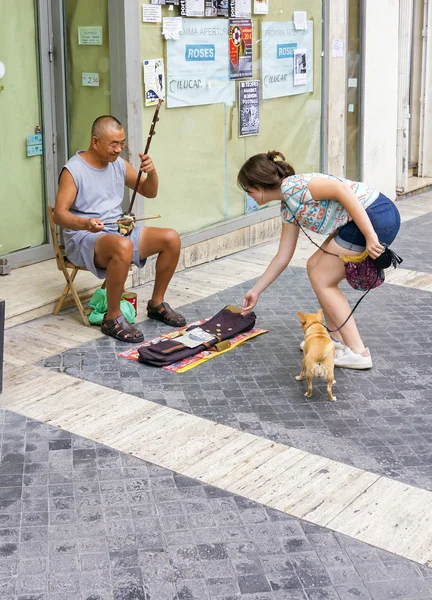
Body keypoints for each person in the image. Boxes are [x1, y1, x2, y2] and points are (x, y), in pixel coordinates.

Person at [238, 151, 401, 369]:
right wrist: (256, 290)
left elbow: (341, 191)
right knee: (313, 266)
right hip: (368, 217)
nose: (249, 195)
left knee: (323, 278)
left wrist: (370, 236)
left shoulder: (293, 187)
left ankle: (358, 352)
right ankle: (334, 341)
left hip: (374, 215)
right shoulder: (288, 206)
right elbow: (283, 255)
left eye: (248, 190)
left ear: (259, 185)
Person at [54, 115, 186, 343]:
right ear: (95, 142)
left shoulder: (118, 164)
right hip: (85, 236)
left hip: (117, 230)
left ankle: (156, 303)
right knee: (122, 246)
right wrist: (85, 222)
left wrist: (151, 172)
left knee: (170, 238)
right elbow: (60, 214)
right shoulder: (74, 170)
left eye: (122, 143)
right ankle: (112, 317)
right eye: (113, 144)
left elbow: (149, 191)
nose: (119, 149)